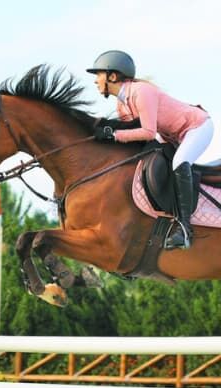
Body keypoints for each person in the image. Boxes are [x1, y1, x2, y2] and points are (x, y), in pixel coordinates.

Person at [87, 50, 212, 250]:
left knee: (179, 162)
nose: (95, 81)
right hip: (172, 135)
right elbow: (131, 132)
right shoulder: (122, 104)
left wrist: (114, 135)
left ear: (112, 76)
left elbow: (147, 132)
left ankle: (184, 229)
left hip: (197, 127)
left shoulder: (141, 92)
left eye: (98, 75)